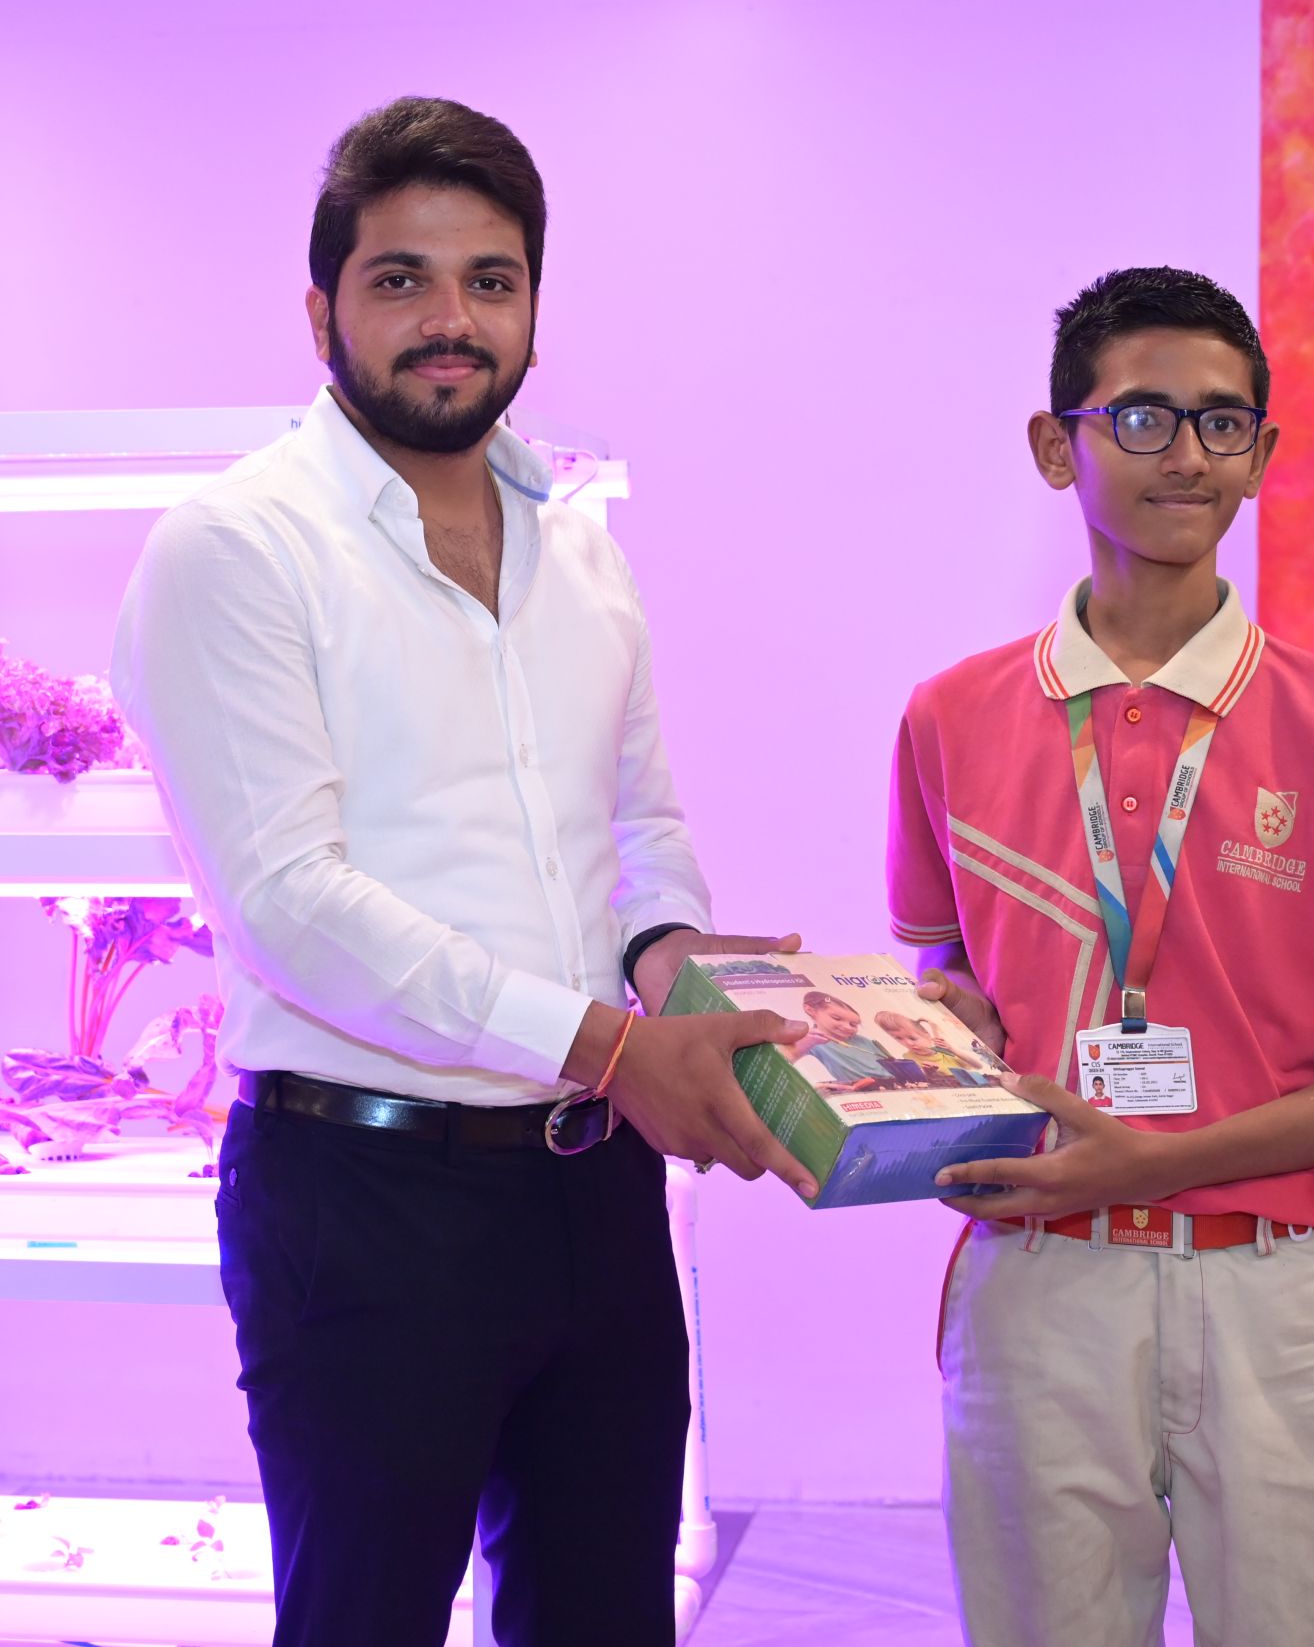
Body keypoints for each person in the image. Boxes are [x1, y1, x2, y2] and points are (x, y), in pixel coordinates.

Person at [111, 96, 816, 1647]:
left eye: (491, 281)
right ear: (321, 311)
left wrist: (683, 970)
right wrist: (616, 1045)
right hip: (365, 1198)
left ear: (534, 309)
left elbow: (637, 823)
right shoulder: (237, 547)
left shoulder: (579, 544)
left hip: (594, 1185)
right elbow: (291, 904)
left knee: (607, 1616)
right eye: (402, 279)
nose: (452, 320)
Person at [887, 266, 1314, 1646]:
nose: (1190, 455)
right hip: (1040, 1277)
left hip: (1275, 1286)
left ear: (1262, 455)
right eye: (1143, 416)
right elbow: (948, 973)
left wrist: (1154, 1159)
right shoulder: (949, 717)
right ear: (1058, 446)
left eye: (1224, 422)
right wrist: (931, 1029)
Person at [790, 989, 904, 1089]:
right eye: (837, 1018)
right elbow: (788, 1058)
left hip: (895, 1083)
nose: (847, 1027)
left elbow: (891, 1064)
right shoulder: (812, 1040)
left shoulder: (864, 1041)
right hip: (863, 1088)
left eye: (853, 1024)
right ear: (811, 1010)